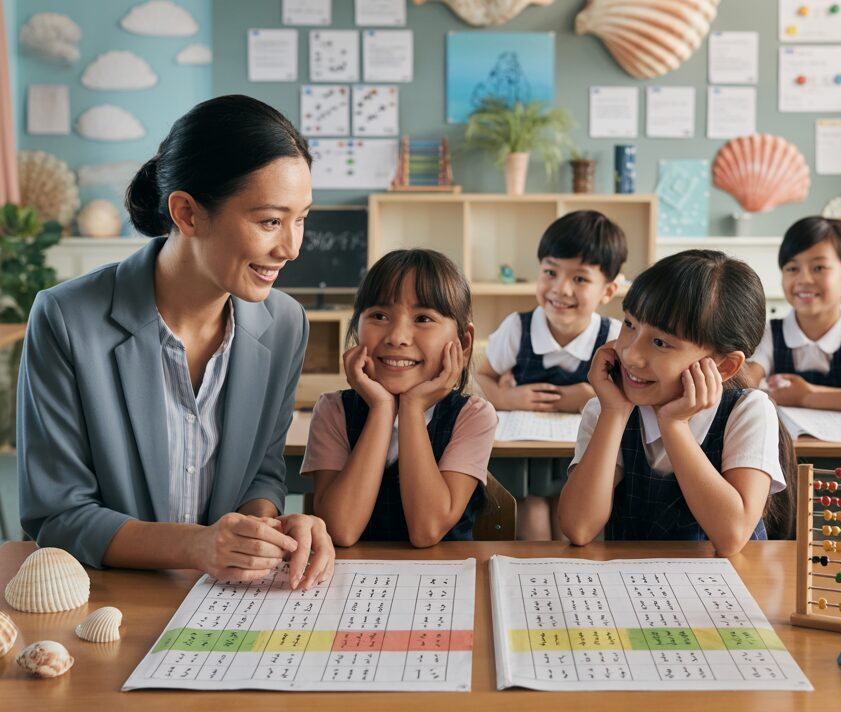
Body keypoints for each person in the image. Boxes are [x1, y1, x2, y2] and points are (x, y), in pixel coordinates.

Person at [17, 95, 333, 590]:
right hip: (111, 603)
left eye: (301, 218)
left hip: (224, 609)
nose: (291, 247)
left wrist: (263, 529)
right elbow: (58, 515)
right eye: (271, 221)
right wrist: (197, 546)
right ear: (187, 213)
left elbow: (262, 472)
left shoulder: (286, 323)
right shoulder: (66, 318)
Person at [559, 250, 794, 555]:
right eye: (629, 324)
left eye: (660, 343)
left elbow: (732, 536)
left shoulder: (747, 411)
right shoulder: (608, 407)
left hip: (723, 594)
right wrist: (614, 414)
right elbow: (578, 527)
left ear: (723, 367)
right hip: (635, 589)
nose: (630, 354)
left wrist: (674, 425)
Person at [303, 249, 497, 547]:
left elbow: (427, 530)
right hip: (353, 585)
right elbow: (341, 530)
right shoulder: (333, 410)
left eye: (423, 318)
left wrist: (411, 407)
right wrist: (381, 409)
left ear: (464, 342)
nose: (397, 337)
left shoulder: (473, 416)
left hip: (443, 583)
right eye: (379, 316)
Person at [476, 210, 627, 540]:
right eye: (550, 272)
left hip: (581, 458)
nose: (561, 289)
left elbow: (628, 397)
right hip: (522, 461)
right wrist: (504, 396)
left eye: (580, 279)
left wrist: (589, 397)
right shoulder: (518, 328)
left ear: (608, 290)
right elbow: (482, 377)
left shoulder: (615, 338)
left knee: (568, 517)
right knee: (532, 511)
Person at [746, 216, 841, 414]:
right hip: (784, 442)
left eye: (819, 268)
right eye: (792, 268)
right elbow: (746, 385)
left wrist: (806, 396)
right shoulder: (770, 332)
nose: (804, 279)